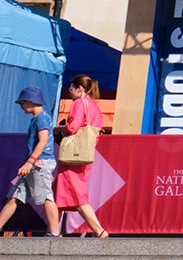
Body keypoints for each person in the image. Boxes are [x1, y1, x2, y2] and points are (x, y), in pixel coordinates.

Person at [54, 76, 109, 238]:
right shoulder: (94, 106)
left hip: (73, 157)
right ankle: (53, 231)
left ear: (79, 88)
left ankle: (99, 230)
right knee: (60, 195)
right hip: (84, 154)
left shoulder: (79, 104)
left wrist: (58, 129)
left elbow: (72, 127)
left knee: (77, 197)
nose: (69, 91)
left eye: (71, 88)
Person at [0, 87, 59, 237]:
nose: (21, 106)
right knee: (14, 197)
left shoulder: (42, 118)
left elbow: (43, 140)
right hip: (34, 166)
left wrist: (30, 162)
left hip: (39, 164)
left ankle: (54, 231)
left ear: (31, 101)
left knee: (46, 195)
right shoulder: (37, 118)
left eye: (22, 102)